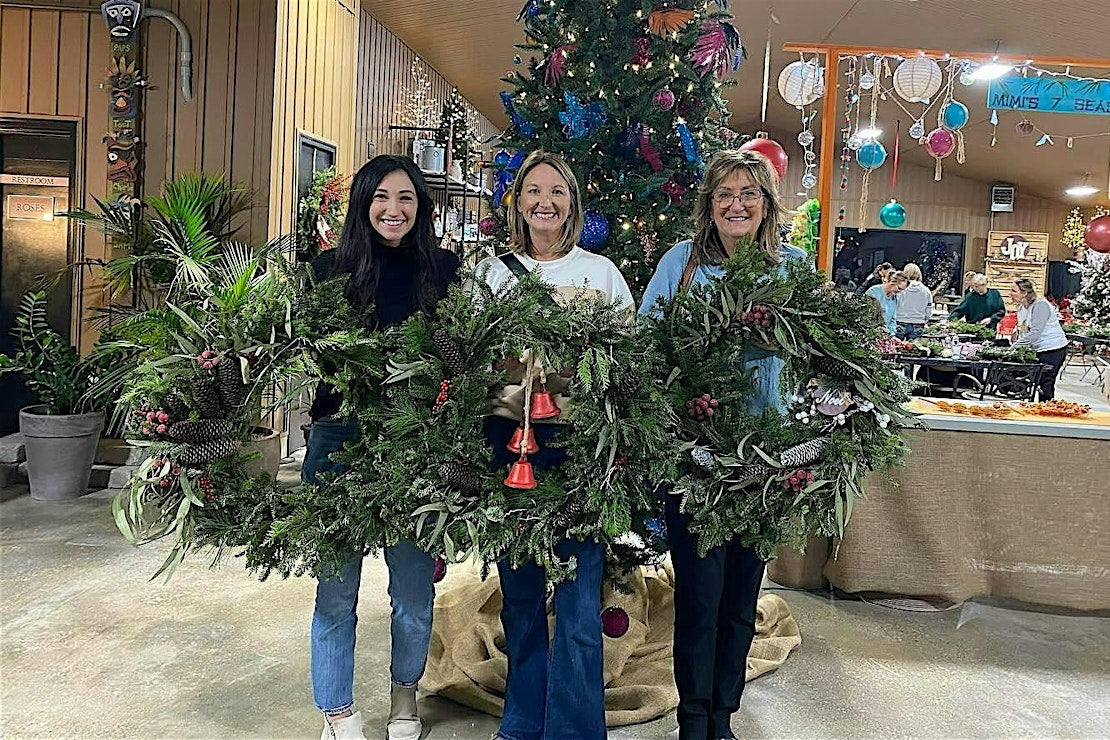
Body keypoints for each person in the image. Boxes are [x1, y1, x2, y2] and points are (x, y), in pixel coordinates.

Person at [639, 150, 807, 740]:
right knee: (700, 599)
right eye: (724, 194)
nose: (737, 204)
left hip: (764, 460)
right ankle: (692, 720)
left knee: (741, 598)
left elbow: (815, 353)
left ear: (767, 205)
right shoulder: (680, 265)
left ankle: (723, 716)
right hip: (696, 460)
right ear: (708, 205)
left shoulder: (789, 268)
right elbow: (646, 346)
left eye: (749, 194)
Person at [473, 150, 634, 740]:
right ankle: (521, 721)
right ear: (517, 200)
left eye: (557, 192)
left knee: (578, 594)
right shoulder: (491, 274)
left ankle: (574, 728)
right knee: (518, 593)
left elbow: (625, 362)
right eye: (533, 190)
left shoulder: (602, 273)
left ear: (573, 204)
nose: (545, 202)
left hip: (578, 445)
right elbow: (471, 362)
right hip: (507, 444)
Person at [305, 155, 460, 740]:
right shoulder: (326, 270)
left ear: (421, 209)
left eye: (406, 200)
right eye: (381, 198)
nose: (393, 210)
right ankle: (337, 711)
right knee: (335, 586)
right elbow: (314, 355)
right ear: (362, 203)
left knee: (413, 588)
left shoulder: (443, 270)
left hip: (415, 440)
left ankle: (404, 698)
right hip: (338, 437)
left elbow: (457, 357)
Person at [1011, 278, 1069, 400]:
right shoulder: (1021, 308)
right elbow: (1024, 328)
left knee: (1045, 382)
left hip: (1053, 349)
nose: (1010, 293)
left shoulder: (1040, 305)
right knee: (1027, 379)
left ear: (1024, 293)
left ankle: (1047, 411)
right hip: (1037, 349)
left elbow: (1035, 333)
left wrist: (1014, 347)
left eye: (1014, 291)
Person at [894, 263, 932, 340]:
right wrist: (925, 319)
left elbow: (895, 304)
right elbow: (929, 309)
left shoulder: (901, 288)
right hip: (918, 323)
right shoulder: (926, 290)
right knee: (914, 349)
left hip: (900, 321)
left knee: (895, 348)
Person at [866, 270, 909, 335]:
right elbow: (866, 317)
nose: (900, 292)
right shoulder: (873, 292)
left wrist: (892, 334)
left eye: (902, 290)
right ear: (892, 282)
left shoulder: (894, 298)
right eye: (899, 288)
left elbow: (892, 319)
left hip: (885, 335)